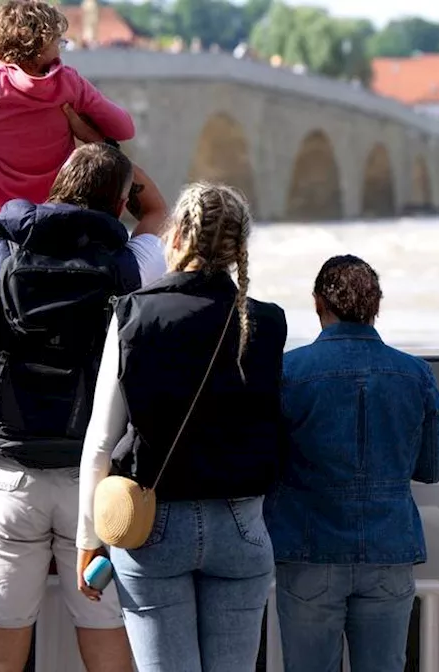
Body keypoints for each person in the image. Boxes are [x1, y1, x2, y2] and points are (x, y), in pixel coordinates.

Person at [0, 97, 167, 672]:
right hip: (96, 488)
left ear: (56, 188)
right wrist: (98, 143)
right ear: (115, 203)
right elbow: (159, 213)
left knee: (0, 655)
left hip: (11, 478)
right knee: (107, 651)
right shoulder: (131, 267)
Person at [75, 183, 286, 671]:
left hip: (152, 523)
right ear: (238, 249)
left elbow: (102, 440)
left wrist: (88, 541)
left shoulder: (135, 313)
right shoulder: (268, 323)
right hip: (240, 525)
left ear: (176, 237)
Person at [267, 255, 439, 672]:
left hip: (308, 549)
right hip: (389, 548)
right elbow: (432, 466)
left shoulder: (287, 372)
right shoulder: (414, 373)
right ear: (377, 305)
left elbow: (265, 461)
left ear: (318, 303)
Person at [0, 0, 135, 233]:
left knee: (3, 266)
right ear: (42, 43)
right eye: (60, 41)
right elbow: (125, 129)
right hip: (53, 207)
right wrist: (83, 126)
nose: (62, 47)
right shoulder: (69, 83)